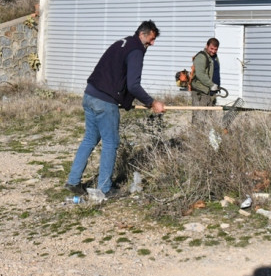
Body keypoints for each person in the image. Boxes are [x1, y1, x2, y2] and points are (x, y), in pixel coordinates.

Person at [65, 20, 166, 198]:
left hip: (89, 96)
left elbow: (116, 75)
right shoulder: (136, 50)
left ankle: (73, 181)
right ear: (142, 34)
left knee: (90, 139)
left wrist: (125, 101)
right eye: (151, 39)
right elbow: (133, 85)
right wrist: (152, 103)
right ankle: (105, 188)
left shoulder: (122, 43)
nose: (153, 43)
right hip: (105, 102)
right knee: (111, 143)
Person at [190, 37, 221, 125]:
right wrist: (211, 85)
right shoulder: (201, 57)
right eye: (211, 48)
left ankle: (205, 137)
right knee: (199, 117)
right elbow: (200, 74)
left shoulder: (214, 57)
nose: (213, 51)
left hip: (211, 92)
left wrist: (216, 86)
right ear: (206, 46)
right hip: (201, 91)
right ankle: (196, 136)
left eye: (215, 49)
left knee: (209, 117)